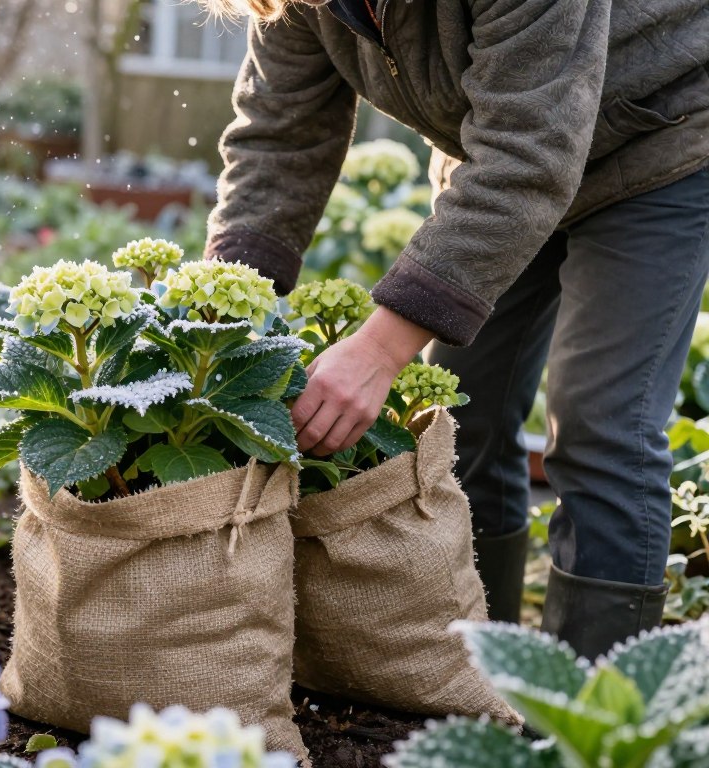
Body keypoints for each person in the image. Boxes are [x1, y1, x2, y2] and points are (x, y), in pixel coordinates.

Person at [201, 0, 709, 659]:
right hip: (504, 162)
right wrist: (216, 315)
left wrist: (380, 351)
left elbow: (530, 157)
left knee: (600, 426)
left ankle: (594, 713)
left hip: (656, 142)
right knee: (466, 417)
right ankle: (479, 667)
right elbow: (280, 139)